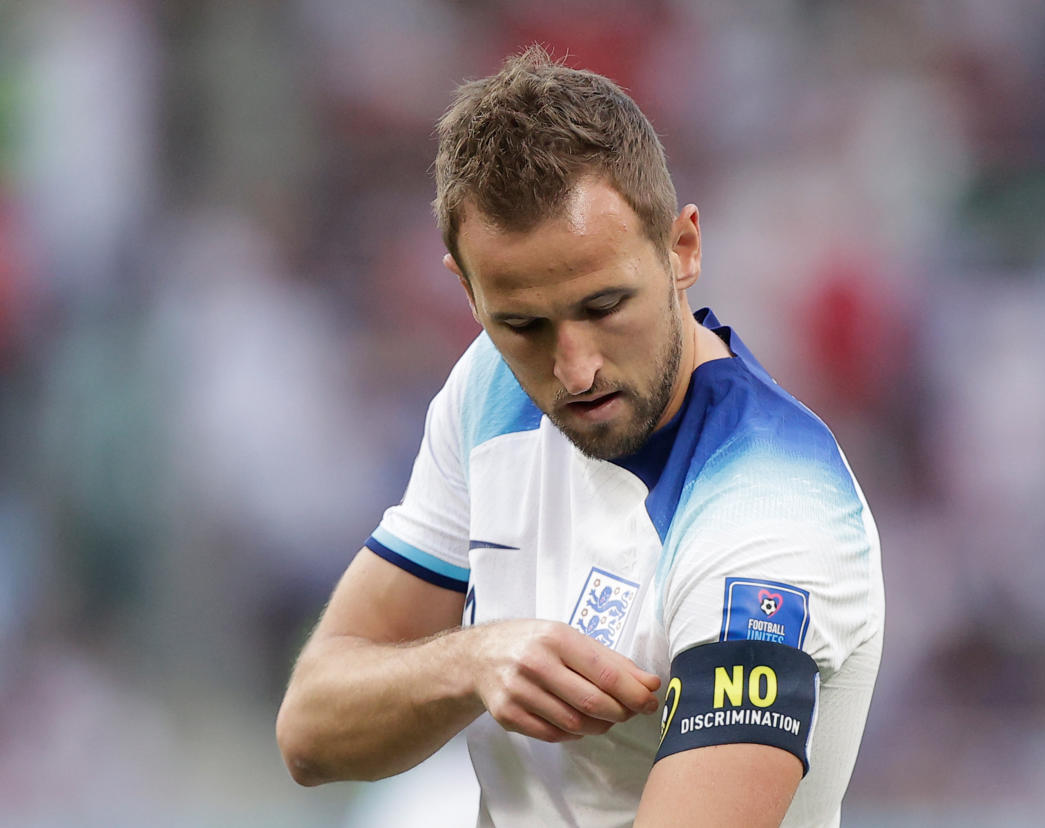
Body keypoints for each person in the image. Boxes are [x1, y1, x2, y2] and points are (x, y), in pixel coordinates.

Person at [276, 45, 884, 828]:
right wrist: (474, 658)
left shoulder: (770, 515)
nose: (574, 369)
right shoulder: (489, 387)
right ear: (468, 292)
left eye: (603, 306)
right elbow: (311, 730)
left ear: (683, 248)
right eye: (523, 324)